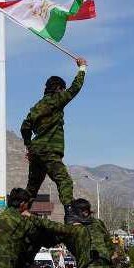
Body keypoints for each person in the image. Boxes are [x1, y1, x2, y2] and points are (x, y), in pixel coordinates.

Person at [21, 57, 87, 223]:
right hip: (50, 152)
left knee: (32, 187)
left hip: (36, 153)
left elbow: (24, 127)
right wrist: (82, 68)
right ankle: (70, 214)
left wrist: (29, 147)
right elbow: (75, 89)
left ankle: (19, 213)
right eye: (61, 89)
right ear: (58, 89)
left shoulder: (36, 107)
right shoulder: (56, 100)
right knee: (63, 180)